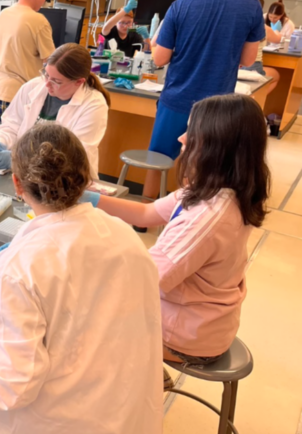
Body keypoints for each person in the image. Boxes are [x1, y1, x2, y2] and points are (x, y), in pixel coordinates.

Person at [0, 123, 163, 434]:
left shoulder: (21, 269)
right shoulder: (124, 235)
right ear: (86, 178)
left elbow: (10, 386)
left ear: (17, 184)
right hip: (127, 417)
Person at [83, 94, 269, 374]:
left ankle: (138, 387)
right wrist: (87, 198)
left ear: (217, 147)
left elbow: (144, 278)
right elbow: (146, 214)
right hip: (205, 319)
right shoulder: (218, 190)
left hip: (187, 337)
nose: (181, 139)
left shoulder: (207, 218)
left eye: (191, 132)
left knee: (82, 318)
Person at [147, 0, 264, 199]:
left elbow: (159, 59)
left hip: (177, 97)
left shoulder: (181, 5)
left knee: (158, 158)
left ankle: (143, 218)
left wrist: (156, 43)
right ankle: (187, 220)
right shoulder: (251, 5)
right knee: (201, 164)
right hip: (217, 106)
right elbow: (247, 59)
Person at [0, 43, 110, 179]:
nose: (47, 83)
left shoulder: (94, 104)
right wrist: (1, 141)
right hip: (25, 175)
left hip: (66, 180)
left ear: (79, 82)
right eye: (46, 74)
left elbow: (72, 155)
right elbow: (11, 124)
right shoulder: (33, 87)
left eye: (56, 81)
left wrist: (18, 159)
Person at [0, 0, 56, 147]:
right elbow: (53, 62)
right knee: (16, 152)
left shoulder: (4, 14)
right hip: (15, 93)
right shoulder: (38, 20)